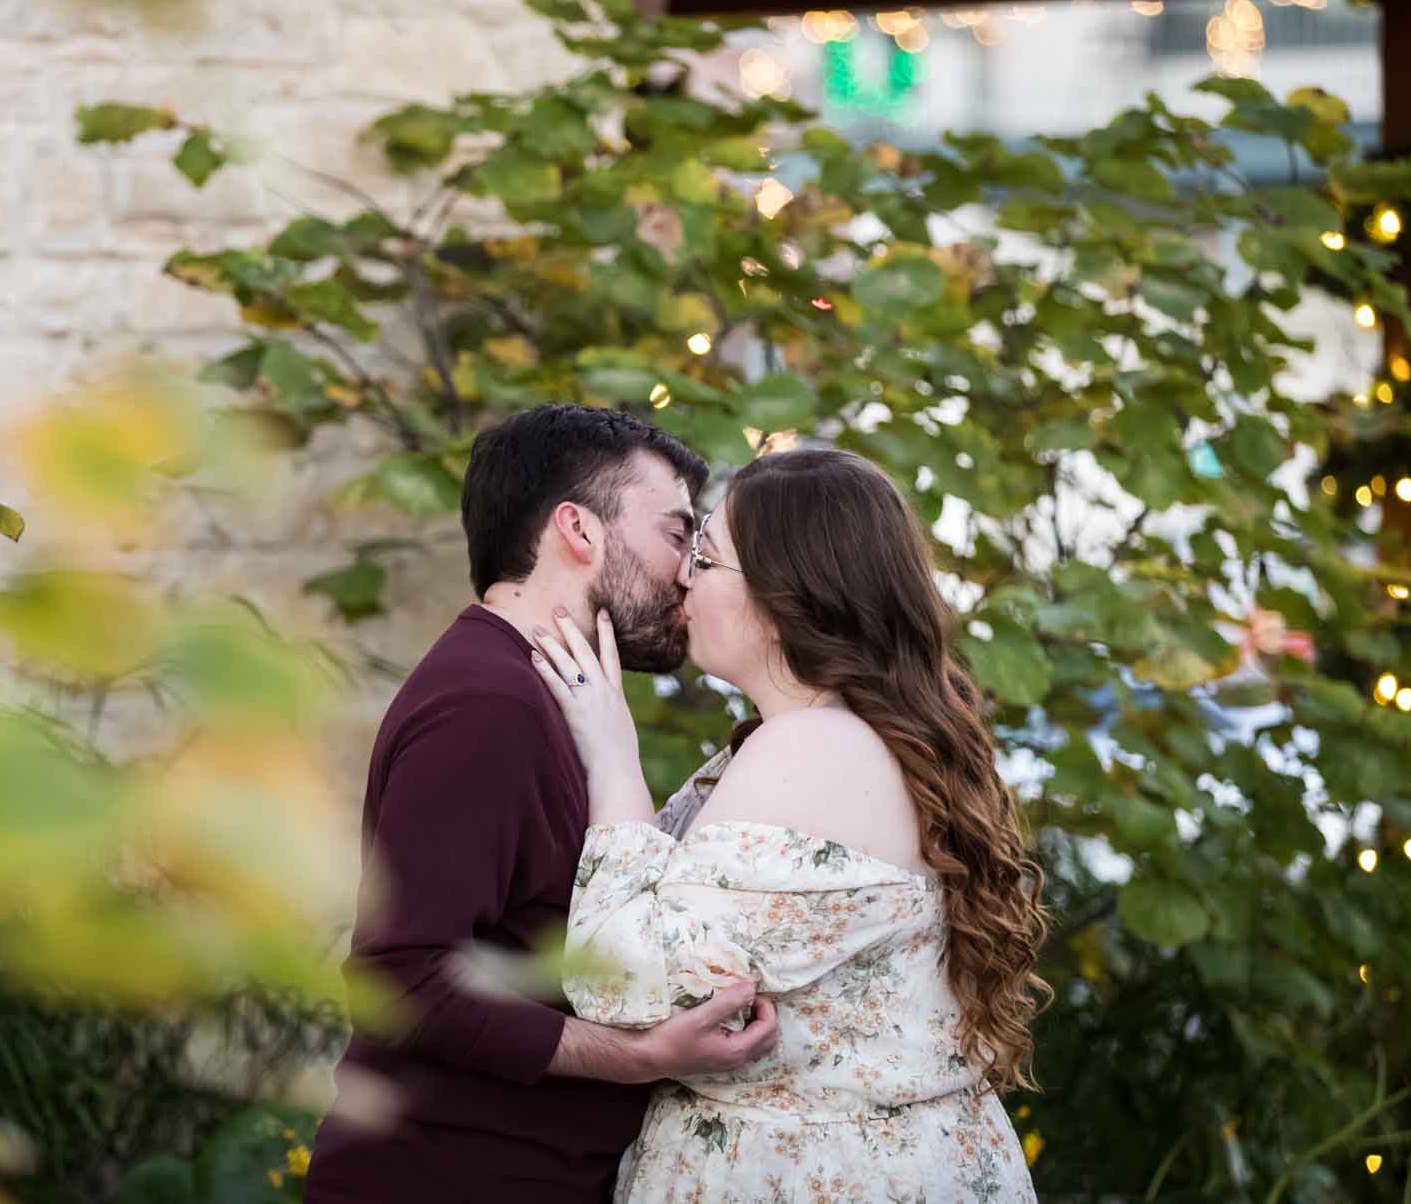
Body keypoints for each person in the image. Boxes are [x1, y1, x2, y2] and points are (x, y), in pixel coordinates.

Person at [532, 445, 1049, 1202]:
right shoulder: (838, 734)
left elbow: (619, 981)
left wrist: (614, 758)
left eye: (705, 559)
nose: (682, 576)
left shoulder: (813, 746)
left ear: (785, 599)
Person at [305, 405, 778, 1204]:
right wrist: (637, 1053)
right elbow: (399, 979)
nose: (688, 572)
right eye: (675, 534)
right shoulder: (487, 705)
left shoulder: (548, 696)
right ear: (580, 531)